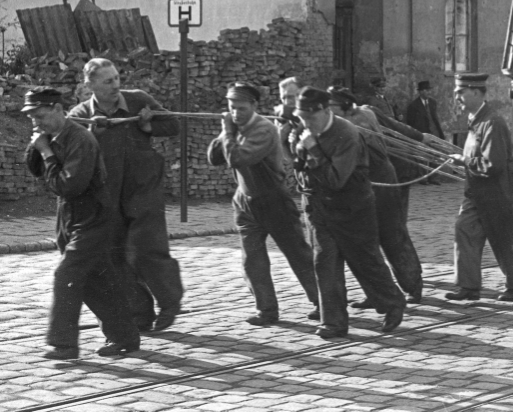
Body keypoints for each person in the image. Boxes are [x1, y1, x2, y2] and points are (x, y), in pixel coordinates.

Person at [23, 87, 140, 360]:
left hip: (93, 218)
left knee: (67, 275)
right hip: (69, 219)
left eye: (39, 115)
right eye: (31, 118)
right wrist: (38, 145)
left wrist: (47, 152)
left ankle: (63, 344)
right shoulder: (53, 135)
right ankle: (125, 337)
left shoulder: (81, 140)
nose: (35, 122)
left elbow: (69, 185)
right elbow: (34, 168)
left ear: (57, 109)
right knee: (95, 281)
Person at [68, 58, 184, 331]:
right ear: (90, 85)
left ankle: (170, 302)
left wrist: (148, 125)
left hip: (144, 188)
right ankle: (140, 316)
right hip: (108, 197)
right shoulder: (79, 115)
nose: (115, 86)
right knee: (117, 258)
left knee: (148, 248)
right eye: (108, 81)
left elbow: (173, 126)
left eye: (117, 78)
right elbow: (72, 155)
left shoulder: (137, 100)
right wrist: (90, 134)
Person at [286, 86, 406, 338]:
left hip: (353, 208)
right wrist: (294, 147)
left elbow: (336, 179)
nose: (305, 123)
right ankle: (333, 322)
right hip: (319, 209)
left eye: (310, 117)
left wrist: (313, 149)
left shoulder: (346, 134)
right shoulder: (305, 130)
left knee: (366, 261)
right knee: (324, 263)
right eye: (301, 117)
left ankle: (393, 302)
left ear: (325, 110)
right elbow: (299, 169)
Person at [208, 82, 320, 325]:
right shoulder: (235, 127)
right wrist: (224, 132)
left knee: (298, 255)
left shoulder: (264, 129)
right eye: (232, 108)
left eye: (241, 108)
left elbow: (238, 158)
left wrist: (228, 131)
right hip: (245, 201)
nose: (236, 113)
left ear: (254, 106)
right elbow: (213, 158)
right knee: (252, 260)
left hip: (273, 201)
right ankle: (266, 310)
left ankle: (323, 302)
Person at [328, 87, 424, 305]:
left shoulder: (352, 125)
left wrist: (422, 138)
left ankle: (413, 285)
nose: (327, 112)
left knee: (393, 236)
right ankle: (378, 292)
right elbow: (395, 125)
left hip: (380, 183)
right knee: (367, 242)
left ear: (345, 107)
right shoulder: (367, 111)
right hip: (366, 185)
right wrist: (419, 136)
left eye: (331, 107)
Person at [446, 73, 513, 302]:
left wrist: (464, 161)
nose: (457, 98)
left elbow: (493, 164)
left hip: (499, 193)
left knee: (506, 240)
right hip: (476, 193)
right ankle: (468, 287)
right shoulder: (476, 120)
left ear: (475, 92)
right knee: (465, 230)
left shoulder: (492, 121)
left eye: (460, 93)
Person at [405, 80, 445, 184]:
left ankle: (434, 178)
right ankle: (423, 178)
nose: (428, 92)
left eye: (428, 90)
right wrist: (416, 135)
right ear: (420, 92)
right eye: (425, 90)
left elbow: (435, 118)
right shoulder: (413, 106)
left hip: (434, 132)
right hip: (422, 134)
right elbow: (410, 122)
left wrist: (440, 134)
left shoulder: (432, 103)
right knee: (423, 156)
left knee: (436, 155)